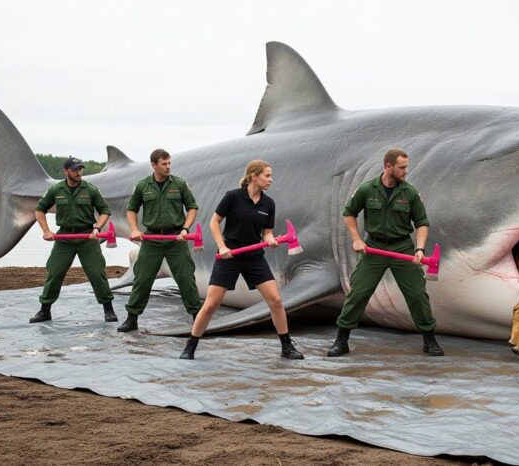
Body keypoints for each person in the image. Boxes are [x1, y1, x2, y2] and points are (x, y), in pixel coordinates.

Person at [179, 160, 303, 360]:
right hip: (230, 255)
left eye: (271, 176)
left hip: (254, 257)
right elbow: (214, 222)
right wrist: (222, 246)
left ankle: (287, 346)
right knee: (211, 304)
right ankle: (191, 345)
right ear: (254, 176)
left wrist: (271, 241)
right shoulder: (233, 197)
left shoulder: (268, 203)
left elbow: (267, 233)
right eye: (267, 175)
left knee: (276, 300)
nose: (271, 180)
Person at [327, 148, 444, 357]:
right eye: (402, 167)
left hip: (402, 247)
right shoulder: (367, 189)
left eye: (407, 167)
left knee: (417, 294)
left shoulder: (409, 192)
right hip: (375, 248)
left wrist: (419, 248)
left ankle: (429, 340)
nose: (406, 171)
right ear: (388, 166)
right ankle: (341, 340)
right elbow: (349, 213)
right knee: (358, 292)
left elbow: (422, 222)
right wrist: (356, 239)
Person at [118, 149, 202, 332]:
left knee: (186, 277)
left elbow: (192, 207)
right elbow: (131, 209)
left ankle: (197, 317)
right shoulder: (142, 186)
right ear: (154, 165)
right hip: (152, 239)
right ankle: (132, 318)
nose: (168, 167)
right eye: (164, 164)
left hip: (175, 239)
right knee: (142, 279)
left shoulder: (179, 184)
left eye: (169, 163)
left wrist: (185, 229)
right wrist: (134, 229)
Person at [29, 156, 117, 323]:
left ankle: (108, 310)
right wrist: (46, 231)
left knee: (97, 273)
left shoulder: (90, 189)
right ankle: (45, 311)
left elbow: (105, 211)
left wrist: (97, 228)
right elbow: (40, 209)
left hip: (87, 237)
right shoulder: (56, 190)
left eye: (80, 169)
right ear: (66, 171)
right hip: (64, 238)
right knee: (54, 273)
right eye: (75, 169)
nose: (79, 172)